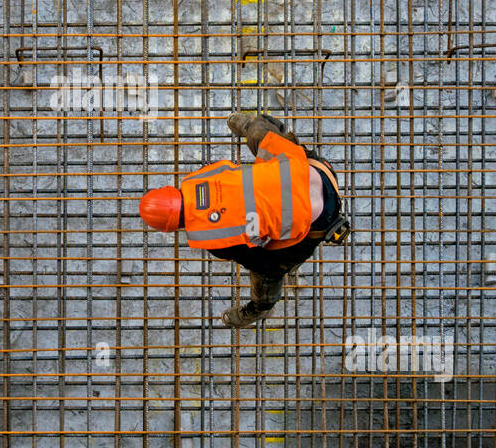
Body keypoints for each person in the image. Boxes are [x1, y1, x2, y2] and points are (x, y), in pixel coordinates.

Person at [138, 113, 351, 327]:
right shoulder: (195, 180)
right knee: (262, 136)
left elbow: (257, 258)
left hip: (322, 219)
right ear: (170, 190)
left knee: (268, 270)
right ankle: (250, 126)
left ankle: (260, 309)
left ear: (172, 228)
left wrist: (264, 229)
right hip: (316, 169)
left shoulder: (210, 235)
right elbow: (233, 171)